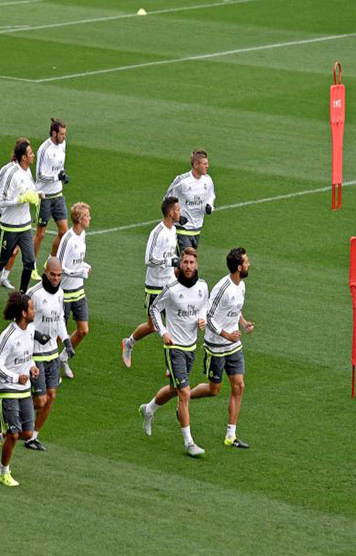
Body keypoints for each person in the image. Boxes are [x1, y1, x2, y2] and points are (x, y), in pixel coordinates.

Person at [138, 248, 209, 458]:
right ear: (180, 265)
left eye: (191, 263)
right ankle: (189, 443)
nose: (188, 267)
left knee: (173, 388)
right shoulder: (171, 289)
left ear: (196, 265)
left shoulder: (203, 287)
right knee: (184, 393)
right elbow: (153, 310)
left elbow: (204, 306)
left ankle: (148, 409)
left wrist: (202, 318)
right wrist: (163, 332)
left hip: (191, 346)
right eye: (185, 263)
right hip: (174, 347)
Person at [189, 247, 254, 449]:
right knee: (213, 389)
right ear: (238, 267)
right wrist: (226, 334)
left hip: (233, 345)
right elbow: (207, 316)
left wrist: (243, 324)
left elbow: (235, 308)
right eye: (246, 261)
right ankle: (185, 397)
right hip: (216, 345)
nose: (249, 264)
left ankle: (231, 435)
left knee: (239, 386)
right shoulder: (222, 288)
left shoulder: (240, 285)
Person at [0, 291, 39, 487]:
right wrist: (16, 377)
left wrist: (32, 366)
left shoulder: (31, 330)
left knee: (27, 433)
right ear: (24, 313)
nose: (35, 311)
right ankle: (3, 472)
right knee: (14, 434)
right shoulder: (8, 336)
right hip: (8, 389)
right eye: (32, 308)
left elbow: (27, 354)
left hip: (24, 390)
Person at [0, 138, 42, 311]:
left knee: (30, 262)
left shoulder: (27, 171)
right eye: (30, 153)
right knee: (0, 261)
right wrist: (20, 199)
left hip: (24, 225)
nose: (33, 156)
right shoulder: (10, 172)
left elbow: (30, 189)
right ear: (23, 157)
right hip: (9, 226)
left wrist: (37, 194)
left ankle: (22, 297)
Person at [121, 197, 180, 368]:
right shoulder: (158, 233)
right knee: (153, 326)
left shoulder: (173, 230)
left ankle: (171, 367)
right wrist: (170, 262)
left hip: (170, 284)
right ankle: (129, 343)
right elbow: (149, 259)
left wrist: (178, 261)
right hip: (155, 285)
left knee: (172, 324)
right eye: (177, 209)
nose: (179, 212)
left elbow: (170, 255)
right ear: (170, 213)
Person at [25, 257, 73, 451]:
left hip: (52, 353)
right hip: (35, 354)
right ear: (45, 273)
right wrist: (36, 335)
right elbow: (20, 320)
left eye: (59, 275)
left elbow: (60, 319)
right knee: (40, 400)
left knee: (51, 397)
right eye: (53, 275)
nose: (56, 279)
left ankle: (32, 437)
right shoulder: (33, 294)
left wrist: (67, 340)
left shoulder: (60, 293)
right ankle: (19, 409)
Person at [55, 202, 92, 379]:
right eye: (87, 215)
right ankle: (50, 367)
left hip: (79, 291)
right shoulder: (67, 239)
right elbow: (59, 267)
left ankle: (63, 358)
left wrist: (84, 266)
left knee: (83, 330)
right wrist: (80, 272)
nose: (89, 218)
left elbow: (77, 262)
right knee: (56, 334)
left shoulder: (83, 235)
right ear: (78, 219)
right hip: (64, 294)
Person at [34, 119, 70, 268]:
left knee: (64, 231)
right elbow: (40, 175)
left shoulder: (62, 145)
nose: (64, 137)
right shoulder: (44, 149)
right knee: (40, 234)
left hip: (58, 195)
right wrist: (57, 177)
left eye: (65, 134)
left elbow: (59, 166)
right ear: (54, 133)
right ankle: (32, 265)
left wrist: (62, 175)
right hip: (44, 197)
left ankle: (50, 260)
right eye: (61, 134)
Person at [164, 150, 214, 252]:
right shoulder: (182, 181)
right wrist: (177, 218)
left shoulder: (207, 180)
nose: (207, 166)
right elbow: (167, 201)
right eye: (205, 164)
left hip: (197, 229)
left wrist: (209, 206)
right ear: (196, 164)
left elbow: (211, 196)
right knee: (186, 264)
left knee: (189, 264)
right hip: (182, 230)